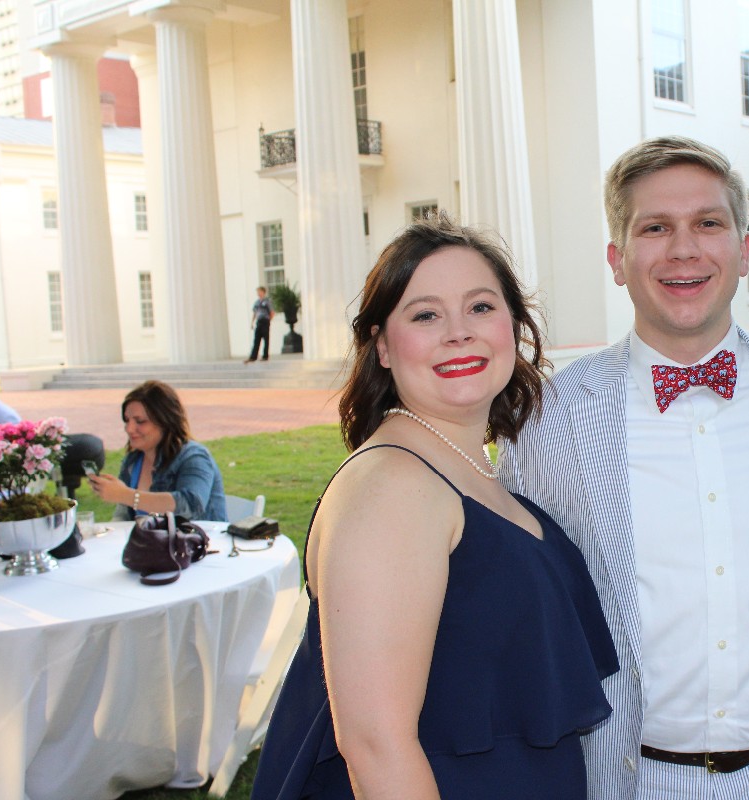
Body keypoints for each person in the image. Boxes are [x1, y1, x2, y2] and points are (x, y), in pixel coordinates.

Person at [498, 137, 749, 800]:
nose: (684, 249)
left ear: (744, 248)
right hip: (628, 780)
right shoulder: (547, 422)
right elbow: (515, 616)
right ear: (617, 259)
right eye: (655, 228)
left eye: (708, 223)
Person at [252, 216, 618, 799]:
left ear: (513, 325)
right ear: (382, 346)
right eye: (425, 315)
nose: (458, 333)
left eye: (480, 307)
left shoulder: (467, 468)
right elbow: (375, 745)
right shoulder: (392, 486)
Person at [87, 380, 228, 521]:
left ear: (164, 421)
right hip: (151, 536)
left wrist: (126, 495)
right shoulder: (133, 461)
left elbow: (191, 505)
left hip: (201, 535)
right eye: (127, 420)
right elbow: (123, 516)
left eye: (140, 421)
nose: (129, 429)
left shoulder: (194, 456)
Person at [245, 285, 274, 363]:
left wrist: (269, 320)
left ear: (263, 292)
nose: (258, 293)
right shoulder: (256, 302)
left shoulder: (267, 301)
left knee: (266, 339)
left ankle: (265, 356)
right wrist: (252, 322)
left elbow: (272, 312)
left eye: (260, 291)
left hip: (265, 321)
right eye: (258, 292)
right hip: (259, 321)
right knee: (256, 339)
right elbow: (255, 313)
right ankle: (253, 356)